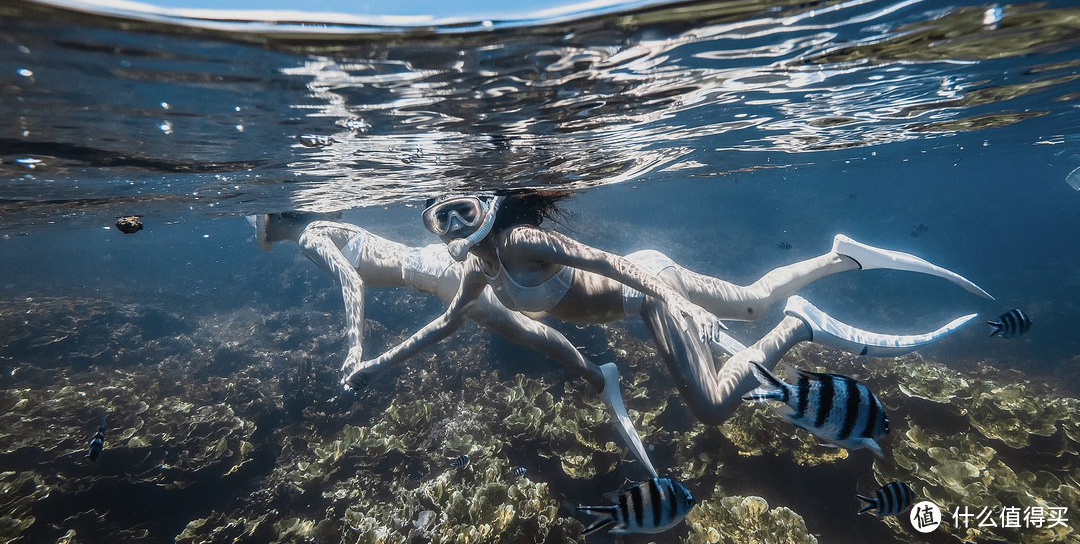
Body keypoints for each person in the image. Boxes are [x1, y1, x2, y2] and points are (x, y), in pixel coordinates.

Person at [255, 192, 990, 473]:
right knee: (751, 300)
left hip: (649, 291)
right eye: (436, 218)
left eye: (458, 210)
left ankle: (803, 323)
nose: (447, 225)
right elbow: (444, 325)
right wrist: (379, 363)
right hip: (650, 290)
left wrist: (676, 301)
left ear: (484, 210)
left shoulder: (518, 245)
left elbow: (606, 259)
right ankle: (840, 255)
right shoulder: (481, 270)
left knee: (712, 400)